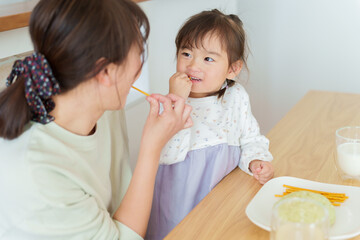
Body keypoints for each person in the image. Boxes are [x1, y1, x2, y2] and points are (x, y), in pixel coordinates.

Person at [0, 0, 192, 239]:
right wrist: (152, 147)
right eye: (139, 51)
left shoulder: (104, 105)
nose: (140, 65)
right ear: (105, 73)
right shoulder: (38, 174)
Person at [145, 9, 274, 240]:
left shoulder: (237, 97)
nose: (193, 65)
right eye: (185, 53)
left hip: (223, 195)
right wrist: (178, 101)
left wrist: (255, 160)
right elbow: (166, 155)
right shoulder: (170, 103)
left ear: (232, 69)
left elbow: (251, 139)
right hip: (179, 200)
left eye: (208, 58)